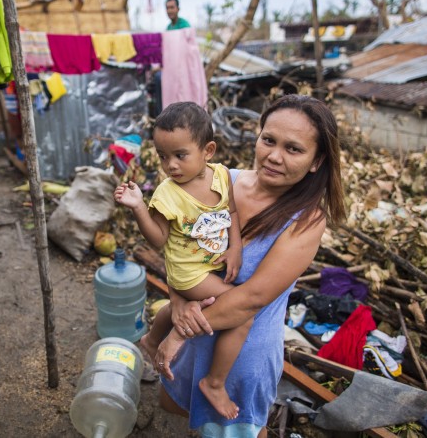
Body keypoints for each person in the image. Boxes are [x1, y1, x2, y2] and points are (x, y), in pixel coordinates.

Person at [153, 95, 346, 437]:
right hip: (193, 339)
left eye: (294, 149)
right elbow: (179, 249)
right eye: (269, 140)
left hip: (238, 361)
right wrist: (178, 299)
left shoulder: (306, 221)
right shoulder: (220, 181)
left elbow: (252, 298)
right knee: (177, 415)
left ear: (316, 162)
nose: (274, 155)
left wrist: (177, 331)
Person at [114, 101, 248, 420]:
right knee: (243, 313)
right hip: (189, 272)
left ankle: (150, 340)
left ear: (208, 150)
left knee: (174, 309)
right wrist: (138, 208)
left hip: (209, 264)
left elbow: (231, 213)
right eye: (163, 156)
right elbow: (158, 238)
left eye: (179, 155)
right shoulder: (166, 194)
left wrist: (236, 247)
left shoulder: (221, 177)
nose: (170, 165)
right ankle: (214, 383)